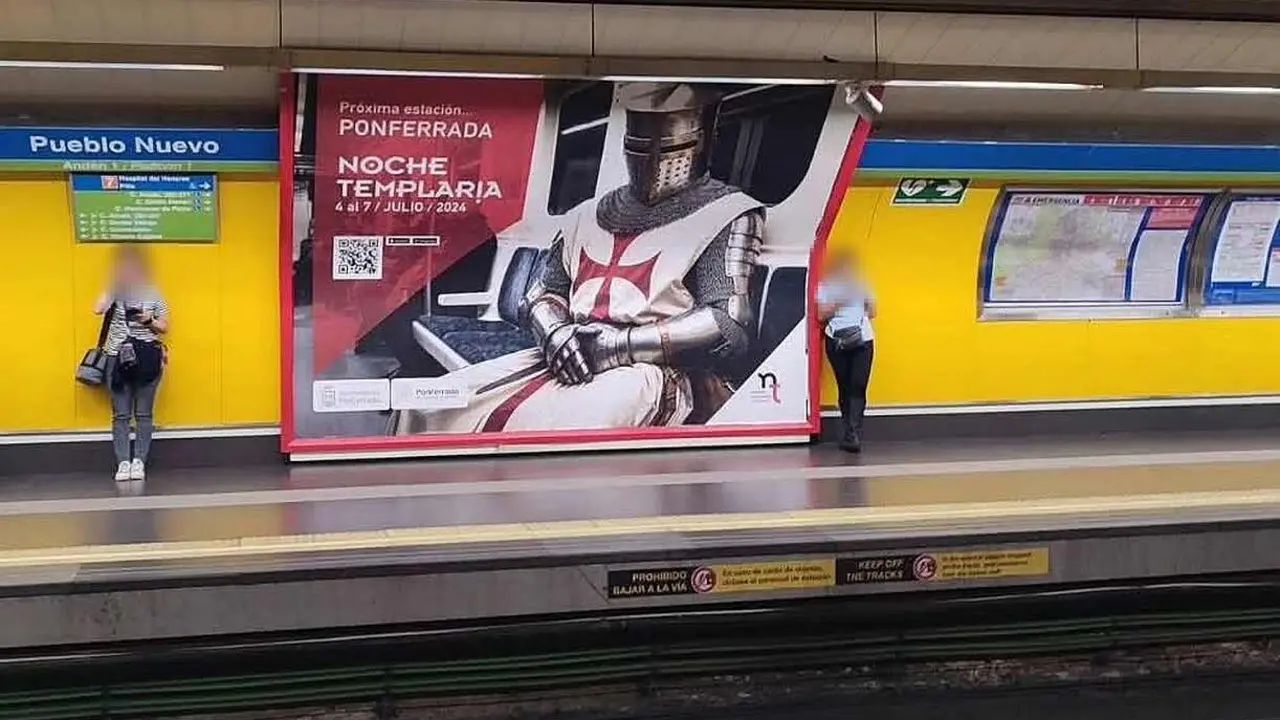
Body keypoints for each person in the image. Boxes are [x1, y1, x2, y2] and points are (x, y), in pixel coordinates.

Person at [398, 82, 765, 434]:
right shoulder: (586, 215)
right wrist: (555, 333)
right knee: (432, 407)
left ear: (704, 139)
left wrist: (617, 347)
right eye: (640, 145)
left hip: (656, 370)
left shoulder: (727, 213)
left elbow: (728, 322)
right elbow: (543, 294)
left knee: (552, 431)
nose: (655, 159)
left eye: (673, 144)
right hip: (567, 351)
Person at [93, 245, 169, 481]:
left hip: (147, 357)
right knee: (121, 414)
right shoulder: (115, 290)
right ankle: (123, 462)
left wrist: (149, 320)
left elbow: (165, 326)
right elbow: (97, 309)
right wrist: (113, 287)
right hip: (117, 357)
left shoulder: (154, 293)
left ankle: (139, 462)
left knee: (144, 413)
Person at [817, 250, 875, 453]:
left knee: (858, 385)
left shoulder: (862, 284)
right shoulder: (825, 287)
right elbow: (821, 314)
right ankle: (848, 428)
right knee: (845, 386)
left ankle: (853, 432)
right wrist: (841, 299)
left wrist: (865, 298)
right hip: (836, 341)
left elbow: (873, 312)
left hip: (863, 340)